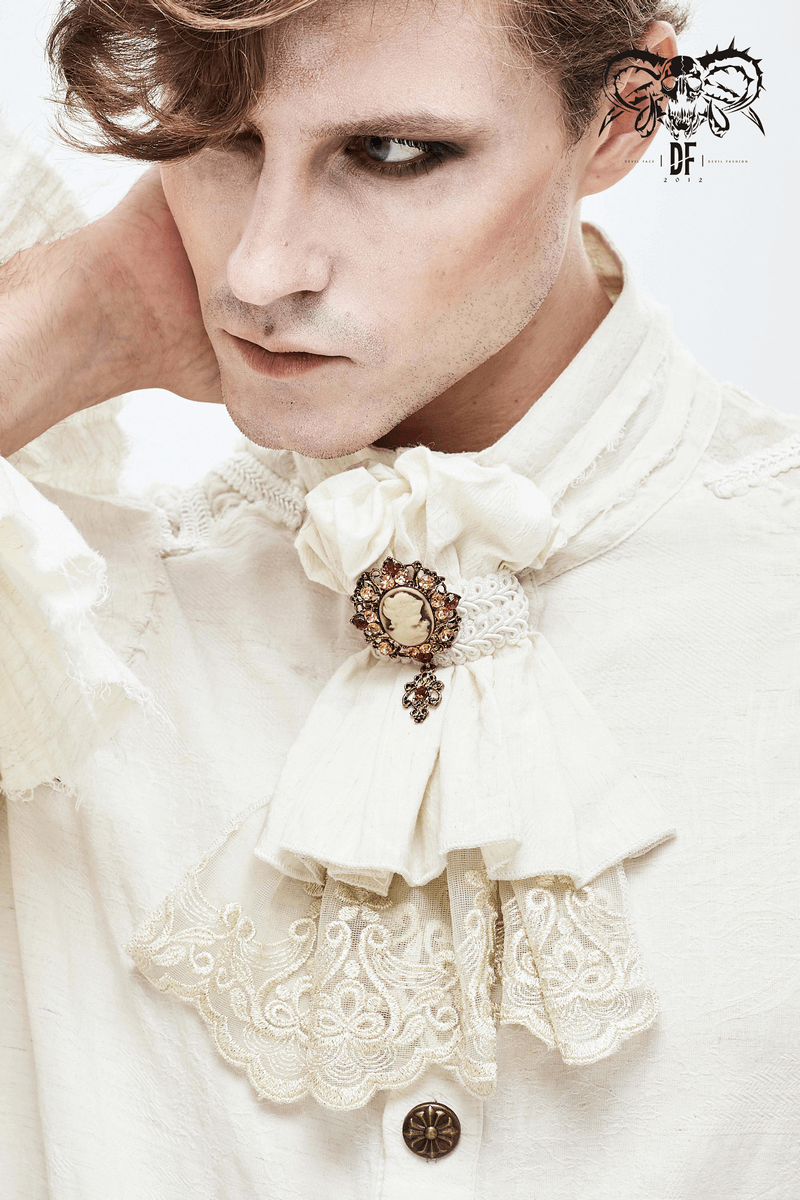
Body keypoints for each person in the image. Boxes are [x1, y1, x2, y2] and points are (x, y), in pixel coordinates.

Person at [1, 1, 797, 1197]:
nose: (260, 270)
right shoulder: (59, 623)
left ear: (623, 112)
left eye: (389, 153)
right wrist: (59, 326)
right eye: (219, 135)